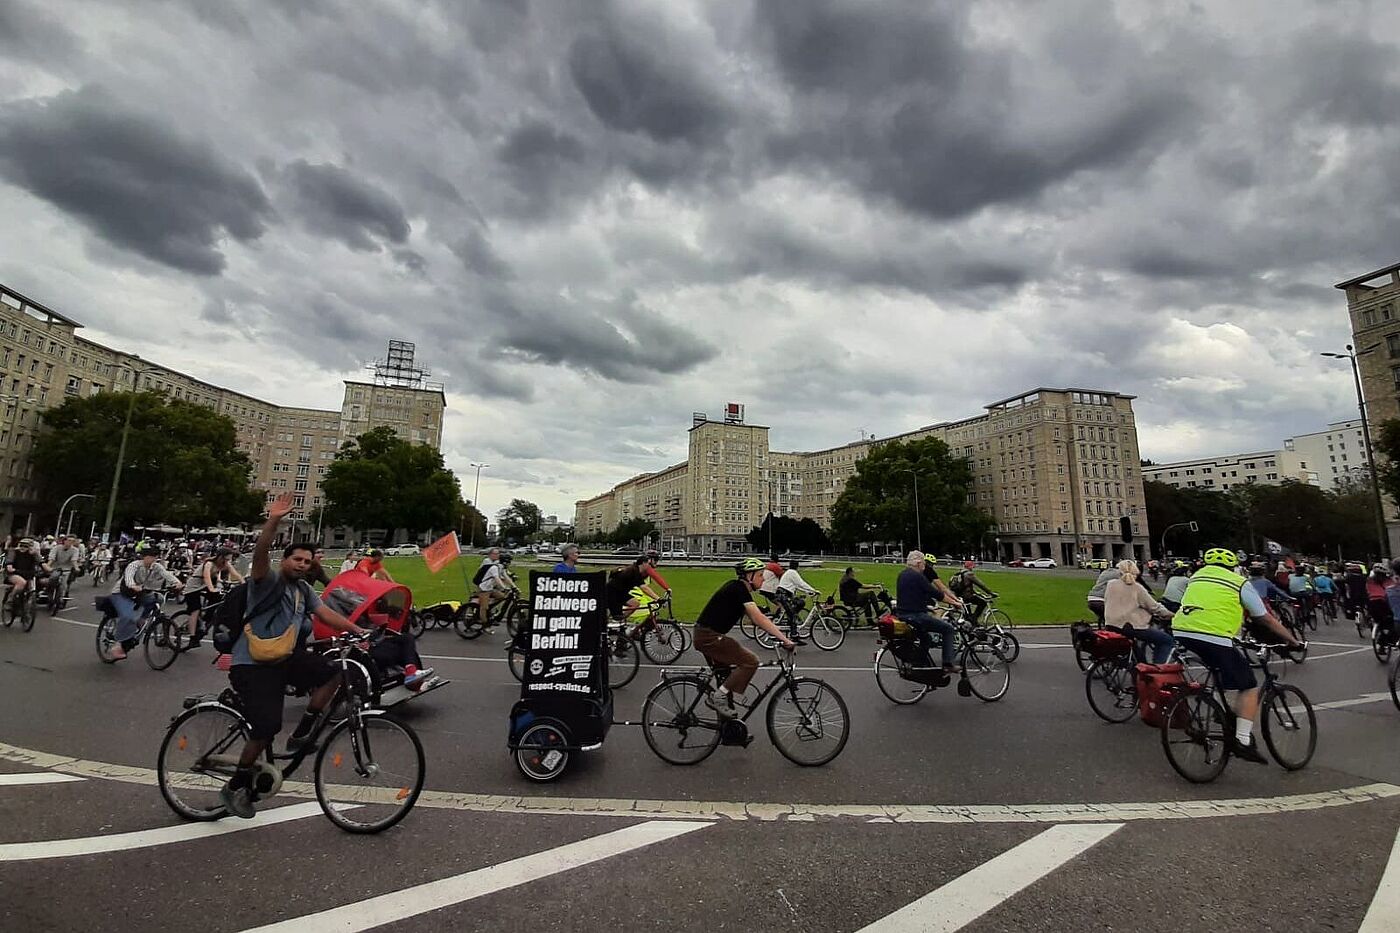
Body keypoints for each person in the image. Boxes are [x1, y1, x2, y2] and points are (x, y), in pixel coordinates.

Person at [219, 493, 368, 819]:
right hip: (253, 663)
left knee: (337, 673)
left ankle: (302, 733)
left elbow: (326, 613)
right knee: (266, 727)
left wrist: (356, 631)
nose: (301, 564)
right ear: (284, 561)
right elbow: (260, 554)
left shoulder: (303, 591)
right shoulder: (266, 582)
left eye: (306, 561)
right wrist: (273, 520)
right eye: (296, 560)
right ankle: (235, 786)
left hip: (284, 658)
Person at [1171, 547, 1303, 764]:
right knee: (1249, 685)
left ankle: (1220, 710)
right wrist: (1292, 641)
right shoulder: (1239, 582)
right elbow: (1265, 618)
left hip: (1182, 631)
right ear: (1233, 566)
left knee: (1220, 667)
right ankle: (1242, 740)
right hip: (1213, 635)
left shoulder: (1195, 577)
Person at [693, 557, 796, 719]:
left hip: (707, 636)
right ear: (750, 576)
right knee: (750, 661)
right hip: (709, 637)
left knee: (726, 679)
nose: (763, 579)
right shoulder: (738, 589)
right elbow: (758, 619)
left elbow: (753, 618)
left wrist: (769, 625)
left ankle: (728, 729)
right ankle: (717, 698)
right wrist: (785, 639)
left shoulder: (738, 589)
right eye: (760, 575)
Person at [105, 548, 184, 661]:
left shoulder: (156, 566)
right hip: (122, 592)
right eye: (151, 557)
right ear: (144, 557)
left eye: (155, 557)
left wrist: (177, 582)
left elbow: (166, 574)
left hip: (140, 593)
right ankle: (118, 644)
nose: (153, 560)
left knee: (159, 599)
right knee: (128, 615)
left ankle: (142, 618)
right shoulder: (135, 565)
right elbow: (128, 578)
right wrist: (133, 585)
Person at [895, 551, 960, 674]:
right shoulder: (918, 576)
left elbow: (910, 596)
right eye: (923, 564)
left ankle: (919, 665)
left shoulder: (902, 575)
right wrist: (955, 603)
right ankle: (948, 663)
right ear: (919, 563)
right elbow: (936, 593)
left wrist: (928, 607)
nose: (924, 567)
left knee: (926, 638)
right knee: (948, 629)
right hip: (916, 616)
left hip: (902, 614)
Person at [1103, 559, 1174, 664]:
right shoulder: (1137, 588)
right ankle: (1158, 668)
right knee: (1166, 640)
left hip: (1111, 623)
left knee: (1138, 648)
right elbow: (1154, 607)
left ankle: (1139, 663)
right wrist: (1170, 614)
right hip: (1131, 626)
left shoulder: (1111, 584)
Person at [183, 547, 245, 648]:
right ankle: (192, 637)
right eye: (226, 559)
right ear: (220, 557)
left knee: (219, 598)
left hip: (205, 586)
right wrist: (211, 589)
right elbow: (207, 577)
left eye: (229, 559)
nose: (228, 561)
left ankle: (206, 619)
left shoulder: (225, 564)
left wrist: (244, 584)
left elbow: (236, 574)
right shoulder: (209, 563)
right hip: (193, 587)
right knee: (195, 610)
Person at [604, 552, 670, 620]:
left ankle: (622, 620)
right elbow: (644, 588)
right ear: (643, 563)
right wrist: (658, 599)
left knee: (635, 604)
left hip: (621, 593)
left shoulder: (637, 571)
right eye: (648, 563)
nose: (649, 566)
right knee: (616, 615)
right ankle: (617, 620)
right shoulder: (633, 571)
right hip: (613, 592)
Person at [5, 538, 50, 616]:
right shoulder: (13, 552)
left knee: (32, 588)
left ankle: (25, 605)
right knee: (21, 582)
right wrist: (10, 567)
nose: (23, 548)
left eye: (26, 546)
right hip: (14, 574)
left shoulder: (34, 554)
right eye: (21, 545)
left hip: (28, 574)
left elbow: (43, 564)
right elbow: (9, 565)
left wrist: (50, 570)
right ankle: (10, 601)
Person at [775, 560, 819, 636]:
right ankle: (793, 634)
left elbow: (798, 586)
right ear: (797, 567)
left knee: (801, 602)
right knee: (792, 614)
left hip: (785, 594)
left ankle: (791, 620)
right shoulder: (792, 573)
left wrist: (809, 592)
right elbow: (801, 583)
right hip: (784, 595)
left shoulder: (789, 572)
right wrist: (813, 590)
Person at [476, 552, 518, 626]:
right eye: (509, 562)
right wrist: (504, 587)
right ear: (505, 562)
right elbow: (497, 579)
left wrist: (514, 587)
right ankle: (485, 625)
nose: (509, 564)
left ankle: (490, 607)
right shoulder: (494, 568)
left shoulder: (501, 568)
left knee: (502, 596)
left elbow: (507, 578)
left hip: (490, 589)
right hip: (484, 589)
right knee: (484, 607)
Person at [47, 535, 82, 607]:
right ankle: (49, 593)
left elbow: (74, 560)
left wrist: (76, 567)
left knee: (64, 583)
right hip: (55, 568)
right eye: (69, 540)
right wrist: (47, 566)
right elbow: (52, 558)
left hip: (66, 569)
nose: (70, 542)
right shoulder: (56, 548)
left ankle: (61, 598)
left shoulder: (75, 550)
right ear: (64, 541)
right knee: (52, 580)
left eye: (72, 541)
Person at [1367, 564, 1394, 645]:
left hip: (1371, 604)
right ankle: (1386, 639)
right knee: (1390, 620)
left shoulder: (1369, 581)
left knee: (1378, 620)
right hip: (1383, 603)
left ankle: (1378, 630)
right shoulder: (1388, 581)